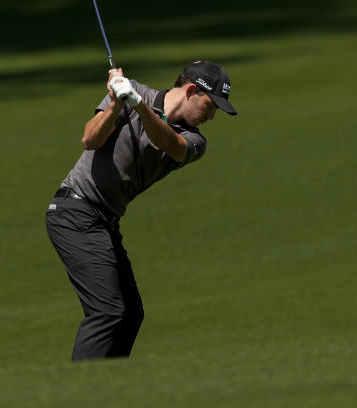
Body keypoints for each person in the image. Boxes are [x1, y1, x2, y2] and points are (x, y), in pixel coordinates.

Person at [45, 60, 237, 361]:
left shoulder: (195, 140)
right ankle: (80, 391)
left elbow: (171, 145)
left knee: (131, 314)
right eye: (210, 105)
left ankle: (110, 388)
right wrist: (115, 104)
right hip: (74, 211)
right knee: (107, 311)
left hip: (104, 222)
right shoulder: (131, 92)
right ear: (190, 91)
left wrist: (136, 105)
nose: (212, 116)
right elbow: (89, 139)